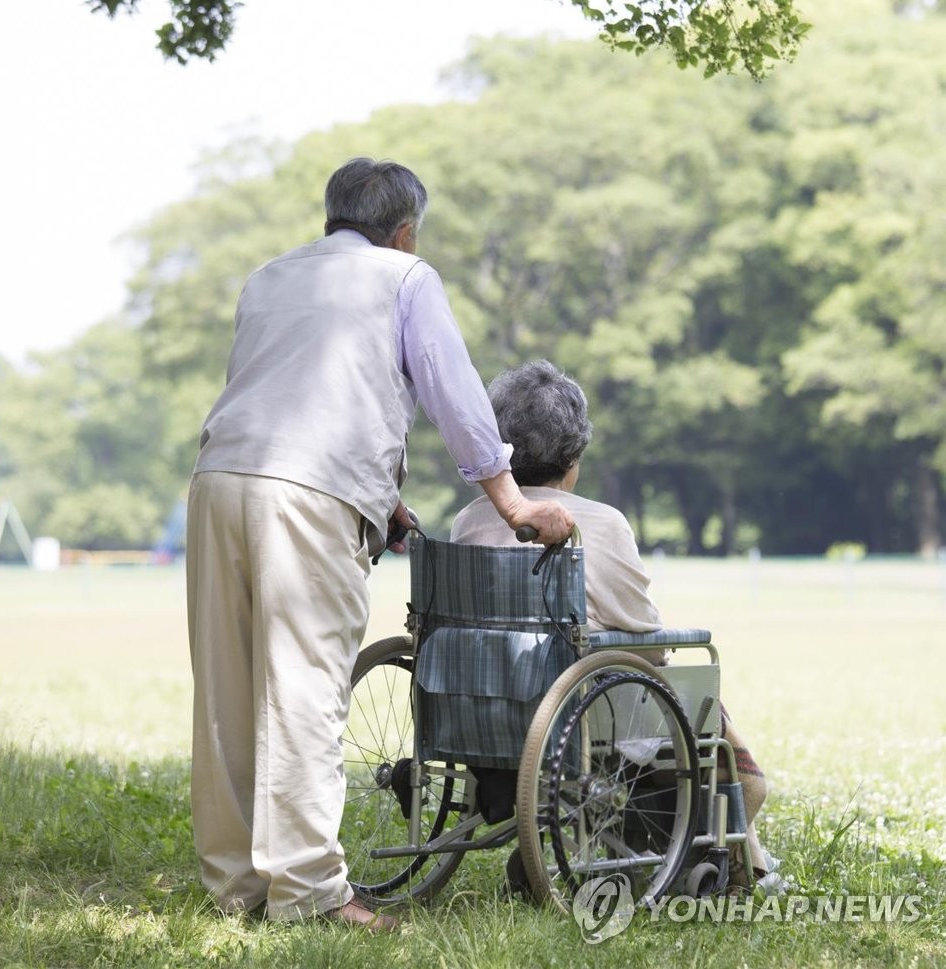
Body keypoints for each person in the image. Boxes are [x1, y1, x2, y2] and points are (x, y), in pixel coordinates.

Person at [185, 160, 574, 932]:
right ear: (404, 230)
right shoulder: (405, 275)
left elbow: (284, 391)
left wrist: (384, 496)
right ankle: (310, 892)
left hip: (221, 477)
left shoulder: (269, 277)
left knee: (226, 690)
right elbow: (454, 394)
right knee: (303, 687)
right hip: (309, 495)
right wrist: (513, 502)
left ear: (333, 218)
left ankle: (236, 887)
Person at [450, 359, 773, 893]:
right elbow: (645, 637)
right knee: (698, 700)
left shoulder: (469, 521)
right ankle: (736, 862)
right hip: (581, 715)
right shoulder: (601, 522)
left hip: (483, 704)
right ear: (574, 456)